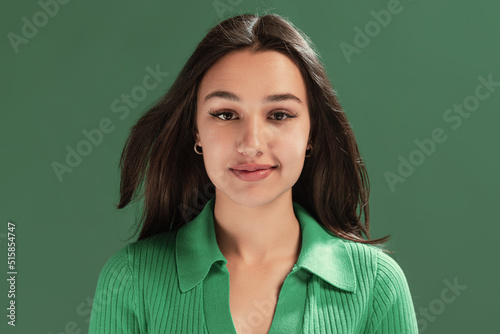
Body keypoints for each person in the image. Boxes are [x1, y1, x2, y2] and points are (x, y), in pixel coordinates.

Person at [88, 13, 418, 334]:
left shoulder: (377, 286)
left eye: (279, 114)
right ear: (196, 132)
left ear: (312, 134)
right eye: (226, 114)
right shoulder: (130, 281)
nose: (251, 144)